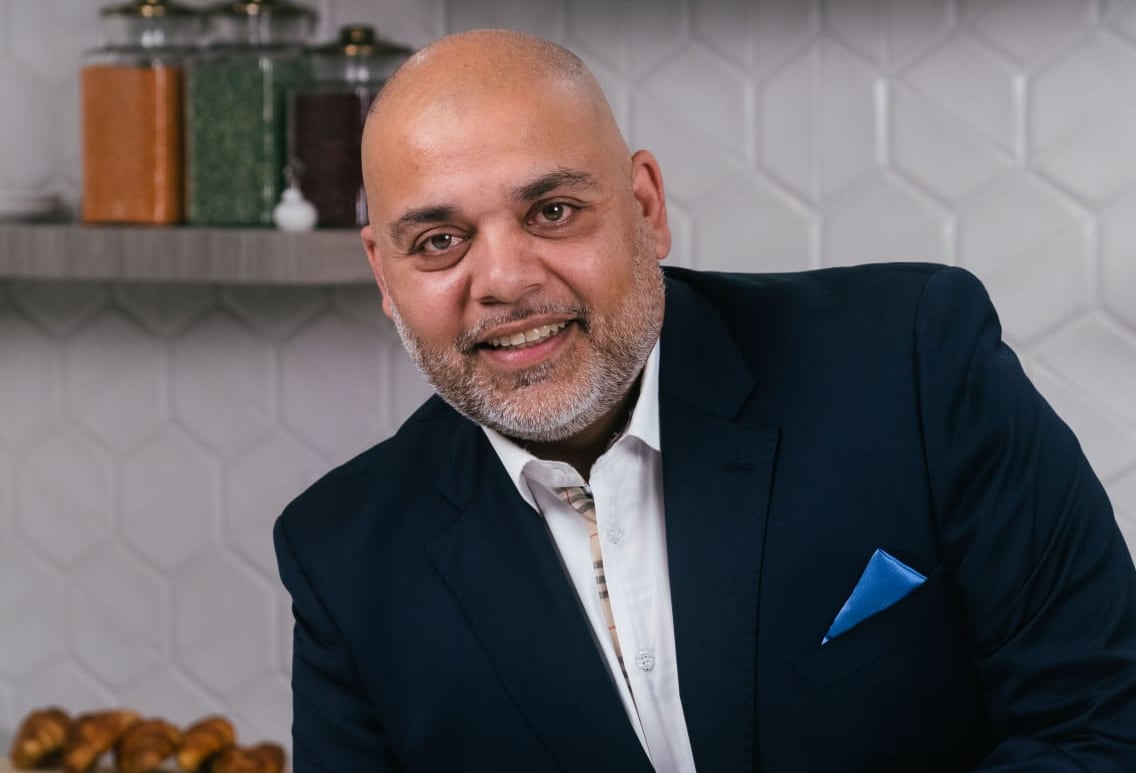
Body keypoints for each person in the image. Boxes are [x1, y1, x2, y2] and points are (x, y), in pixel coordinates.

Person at [272, 28, 1136, 773]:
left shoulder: (913, 362)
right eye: (439, 240)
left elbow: (1102, 724)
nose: (503, 279)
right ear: (383, 271)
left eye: (553, 211)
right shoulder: (342, 556)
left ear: (646, 207)